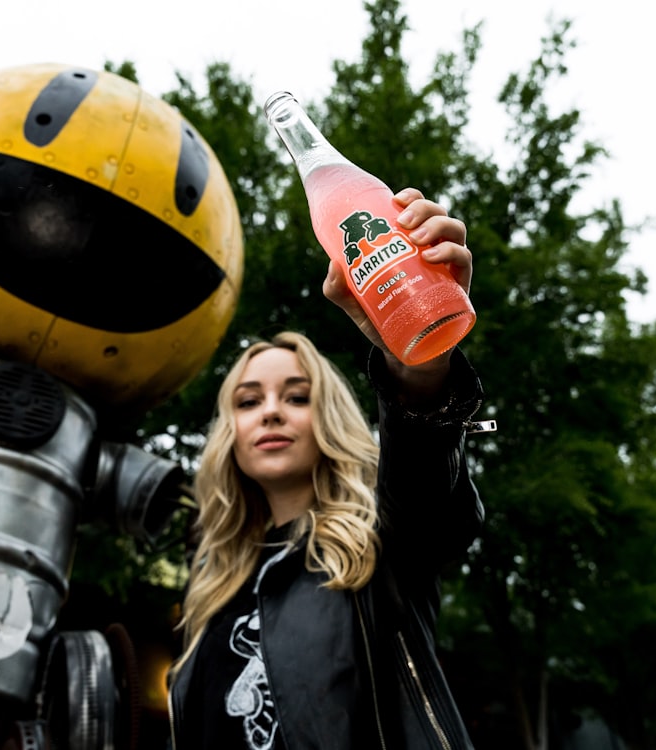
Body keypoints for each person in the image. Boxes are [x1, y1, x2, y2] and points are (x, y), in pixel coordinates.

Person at [166, 188, 486, 749]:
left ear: (328, 418)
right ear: (230, 436)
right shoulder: (211, 585)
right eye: (247, 401)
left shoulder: (380, 547)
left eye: (295, 396)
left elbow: (426, 485)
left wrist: (417, 362)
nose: (270, 411)